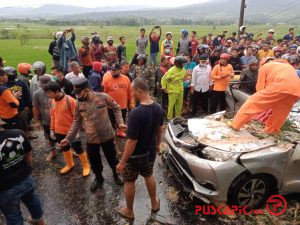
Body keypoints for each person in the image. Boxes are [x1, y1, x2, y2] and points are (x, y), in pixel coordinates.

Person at [60, 77, 126, 191]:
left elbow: (116, 107)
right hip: (91, 137)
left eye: (79, 92)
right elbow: (76, 122)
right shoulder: (78, 104)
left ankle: (116, 175)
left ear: (87, 89)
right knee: (94, 160)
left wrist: (120, 123)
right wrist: (68, 139)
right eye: (76, 93)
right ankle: (99, 178)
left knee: (112, 158)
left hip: (106, 134)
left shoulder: (103, 97)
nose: (78, 95)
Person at [116, 78, 164, 222]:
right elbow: (159, 129)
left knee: (129, 180)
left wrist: (123, 162)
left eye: (132, 91)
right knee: (148, 175)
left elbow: (131, 141)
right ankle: (155, 203)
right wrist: (157, 145)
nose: (132, 94)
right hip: (149, 152)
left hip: (135, 156)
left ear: (139, 91)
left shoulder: (136, 113)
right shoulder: (158, 108)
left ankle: (129, 211)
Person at [230, 59, 300, 134]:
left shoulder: (265, 66)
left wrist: (261, 100)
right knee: (280, 112)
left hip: (279, 87)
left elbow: (260, 87)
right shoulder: (287, 66)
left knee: (252, 102)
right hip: (296, 91)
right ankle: (271, 131)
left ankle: (235, 125)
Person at [0, 119, 46, 225]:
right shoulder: (18, 133)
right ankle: (39, 220)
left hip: (5, 188)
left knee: (13, 216)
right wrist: (28, 170)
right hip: (26, 179)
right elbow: (28, 154)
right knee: (33, 201)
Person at [45, 81, 90, 176]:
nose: (48, 95)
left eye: (50, 92)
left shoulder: (69, 100)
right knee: (65, 148)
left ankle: (86, 165)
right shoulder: (52, 101)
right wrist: (52, 129)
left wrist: (76, 131)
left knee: (78, 148)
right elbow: (52, 116)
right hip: (58, 131)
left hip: (71, 132)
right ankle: (70, 164)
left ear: (57, 91)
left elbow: (78, 117)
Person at [102, 63, 133, 137]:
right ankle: (111, 135)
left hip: (123, 105)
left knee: (122, 119)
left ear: (120, 70)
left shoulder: (126, 79)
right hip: (110, 106)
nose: (113, 72)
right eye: (112, 70)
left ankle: (120, 132)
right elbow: (103, 93)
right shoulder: (106, 79)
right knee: (111, 121)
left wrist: (131, 101)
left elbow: (130, 91)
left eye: (115, 70)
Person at [32, 75, 56, 161]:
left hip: (59, 120)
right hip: (47, 121)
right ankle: (53, 152)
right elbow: (35, 108)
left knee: (64, 135)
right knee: (50, 137)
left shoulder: (57, 90)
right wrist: (36, 121)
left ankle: (68, 149)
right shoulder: (37, 94)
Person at [4, 67, 31, 133]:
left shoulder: (20, 83)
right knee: (12, 125)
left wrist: (27, 105)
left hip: (21, 108)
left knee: (24, 123)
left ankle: (26, 134)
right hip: (9, 110)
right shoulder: (3, 85)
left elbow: (27, 95)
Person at [161, 56, 188, 120]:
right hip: (173, 90)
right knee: (171, 105)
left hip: (180, 89)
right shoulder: (171, 70)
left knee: (179, 105)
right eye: (182, 63)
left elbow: (184, 77)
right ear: (178, 63)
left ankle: (177, 117)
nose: (183, 65)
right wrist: (164, 88)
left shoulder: (183, 69)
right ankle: (169, 118)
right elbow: (164, 79)